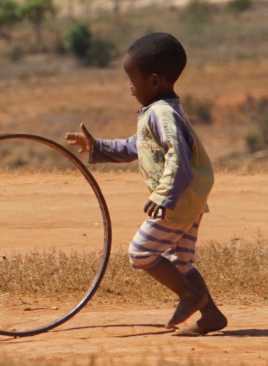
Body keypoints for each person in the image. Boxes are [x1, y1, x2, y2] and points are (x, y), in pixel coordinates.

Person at [65, 32, 227, 335]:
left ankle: (191, 296)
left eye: (132, 79)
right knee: (181, 263)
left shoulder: (162, 114)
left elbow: (176, 157)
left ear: (154, 81)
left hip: (177, 201)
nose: (129, 87)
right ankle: (211, 314)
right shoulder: (159, 111)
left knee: (140, 253)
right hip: (187, 200)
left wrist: (165, 196)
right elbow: (137, 146)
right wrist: (96, 146)